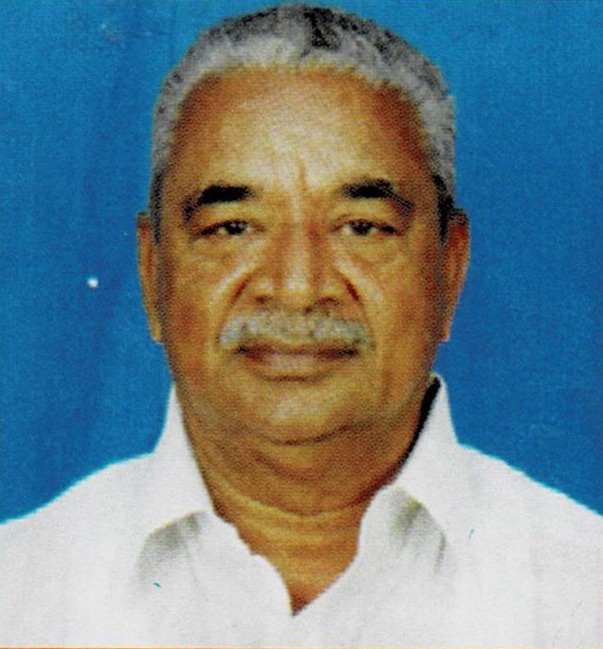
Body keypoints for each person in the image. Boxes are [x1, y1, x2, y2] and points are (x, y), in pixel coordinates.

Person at [1, 4, 601, 647]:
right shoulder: (22, 593)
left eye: (361, 228)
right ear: (153, 275)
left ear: (449, 271)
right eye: (233, 228)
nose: (297, 287)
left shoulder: (581, 592)